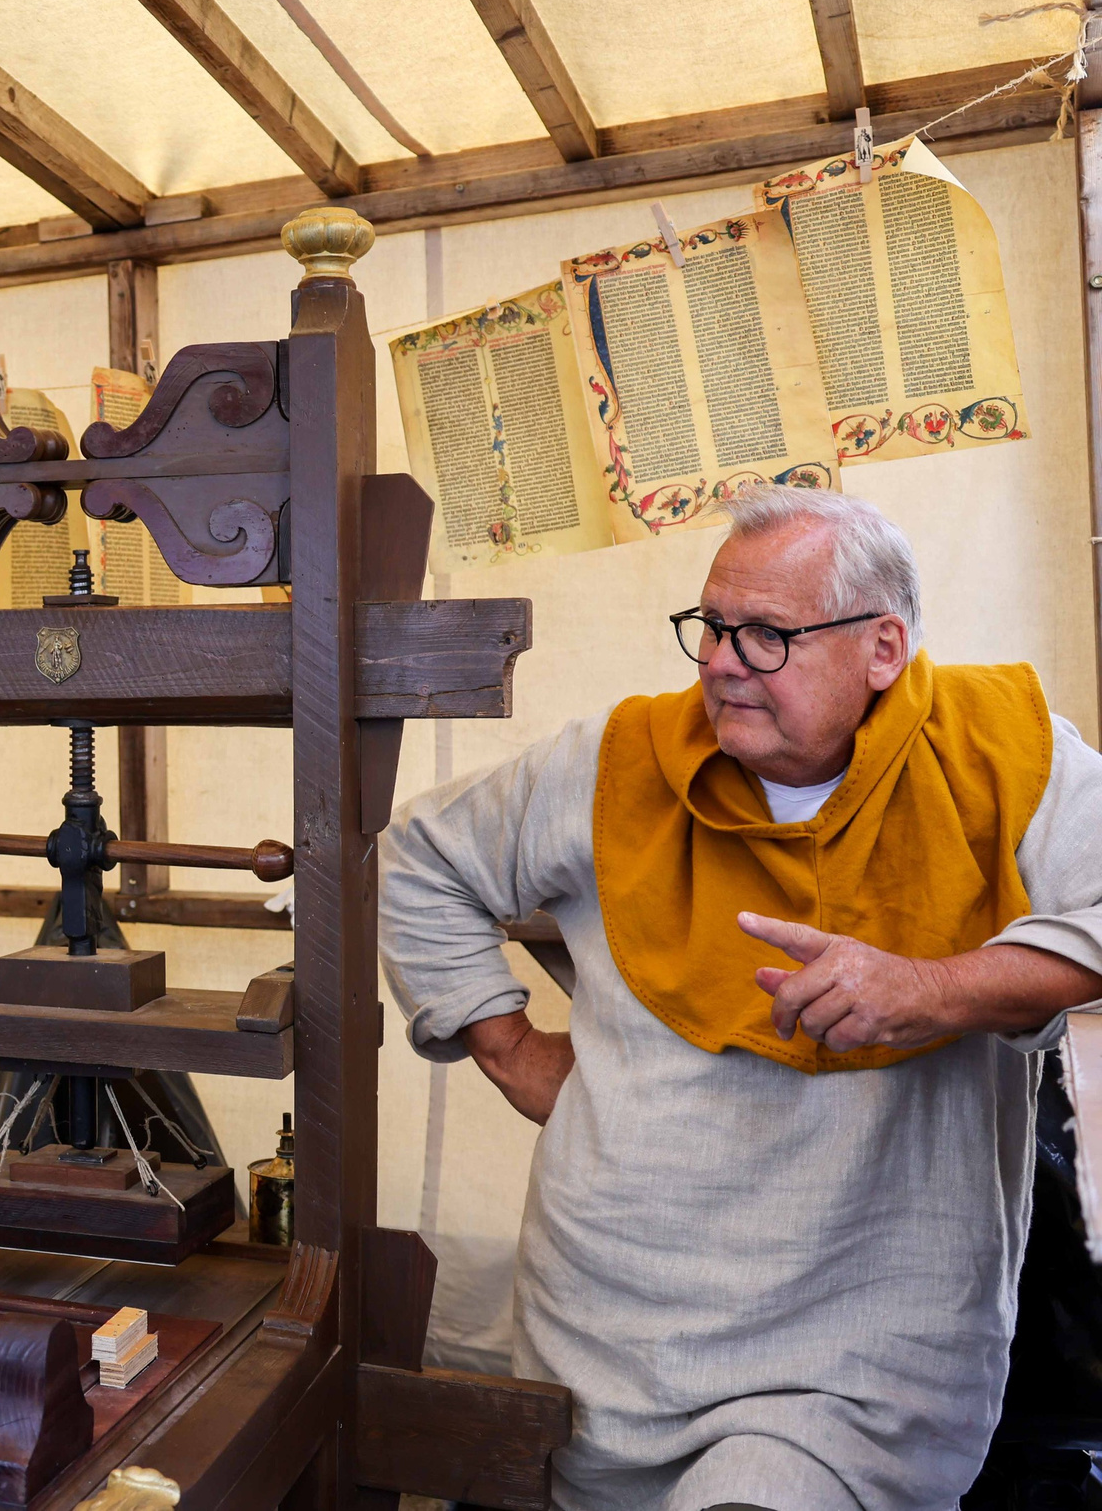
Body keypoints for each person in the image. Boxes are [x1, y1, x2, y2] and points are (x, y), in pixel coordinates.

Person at [381, 484, 1102, 1510]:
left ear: (882, 648)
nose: (720, 660)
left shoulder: (1001, 751)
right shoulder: (618, 760)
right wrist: (510, 1049)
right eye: (712, 627)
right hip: (607, 1331)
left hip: (851, 1353)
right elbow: (420, 857)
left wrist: (936, 988)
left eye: (764, 635)